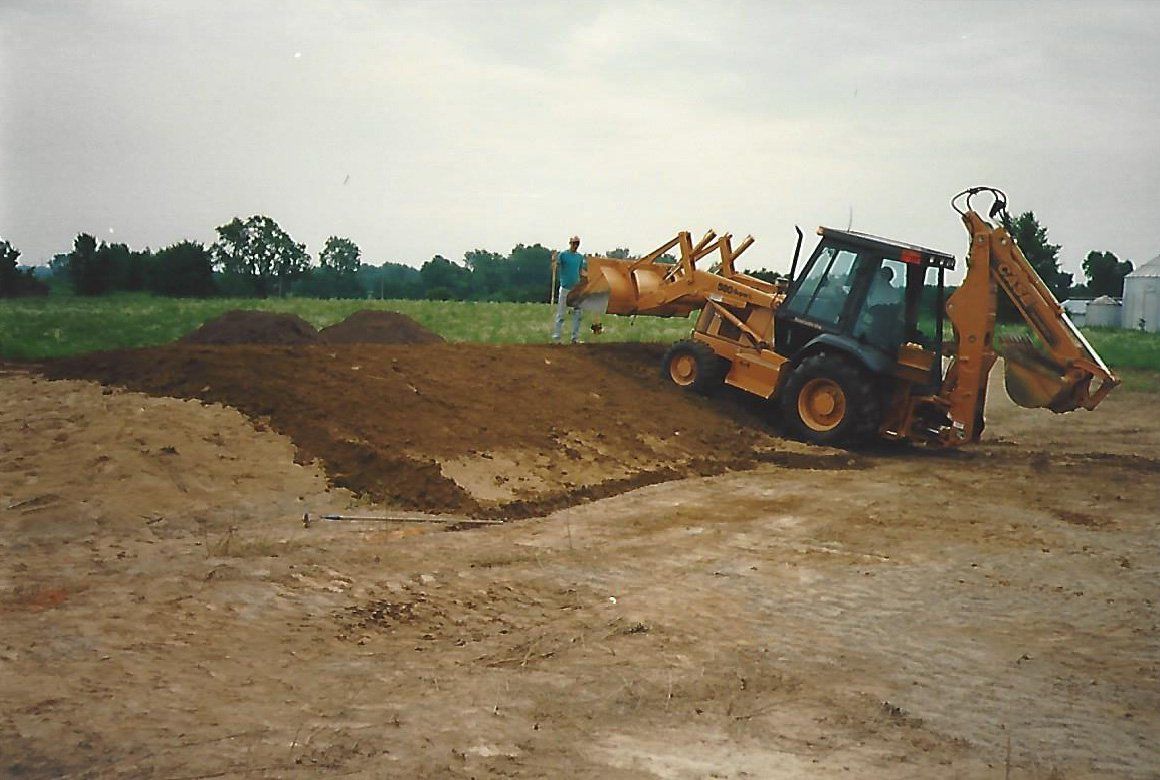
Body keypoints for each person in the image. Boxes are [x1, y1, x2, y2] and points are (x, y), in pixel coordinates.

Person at [551, 235, 587, 343]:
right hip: (565, 287)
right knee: (561, 314)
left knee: (578, 314)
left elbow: (580, 271)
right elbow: (555, 266)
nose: (575, 245)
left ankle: (575, 338)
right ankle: (557, 337)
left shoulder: (580, 257)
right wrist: (554, 260)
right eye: (574, 243)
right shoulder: (563, 255)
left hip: (576, 289)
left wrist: (590, 277)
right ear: (570, 243)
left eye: (577, 243)